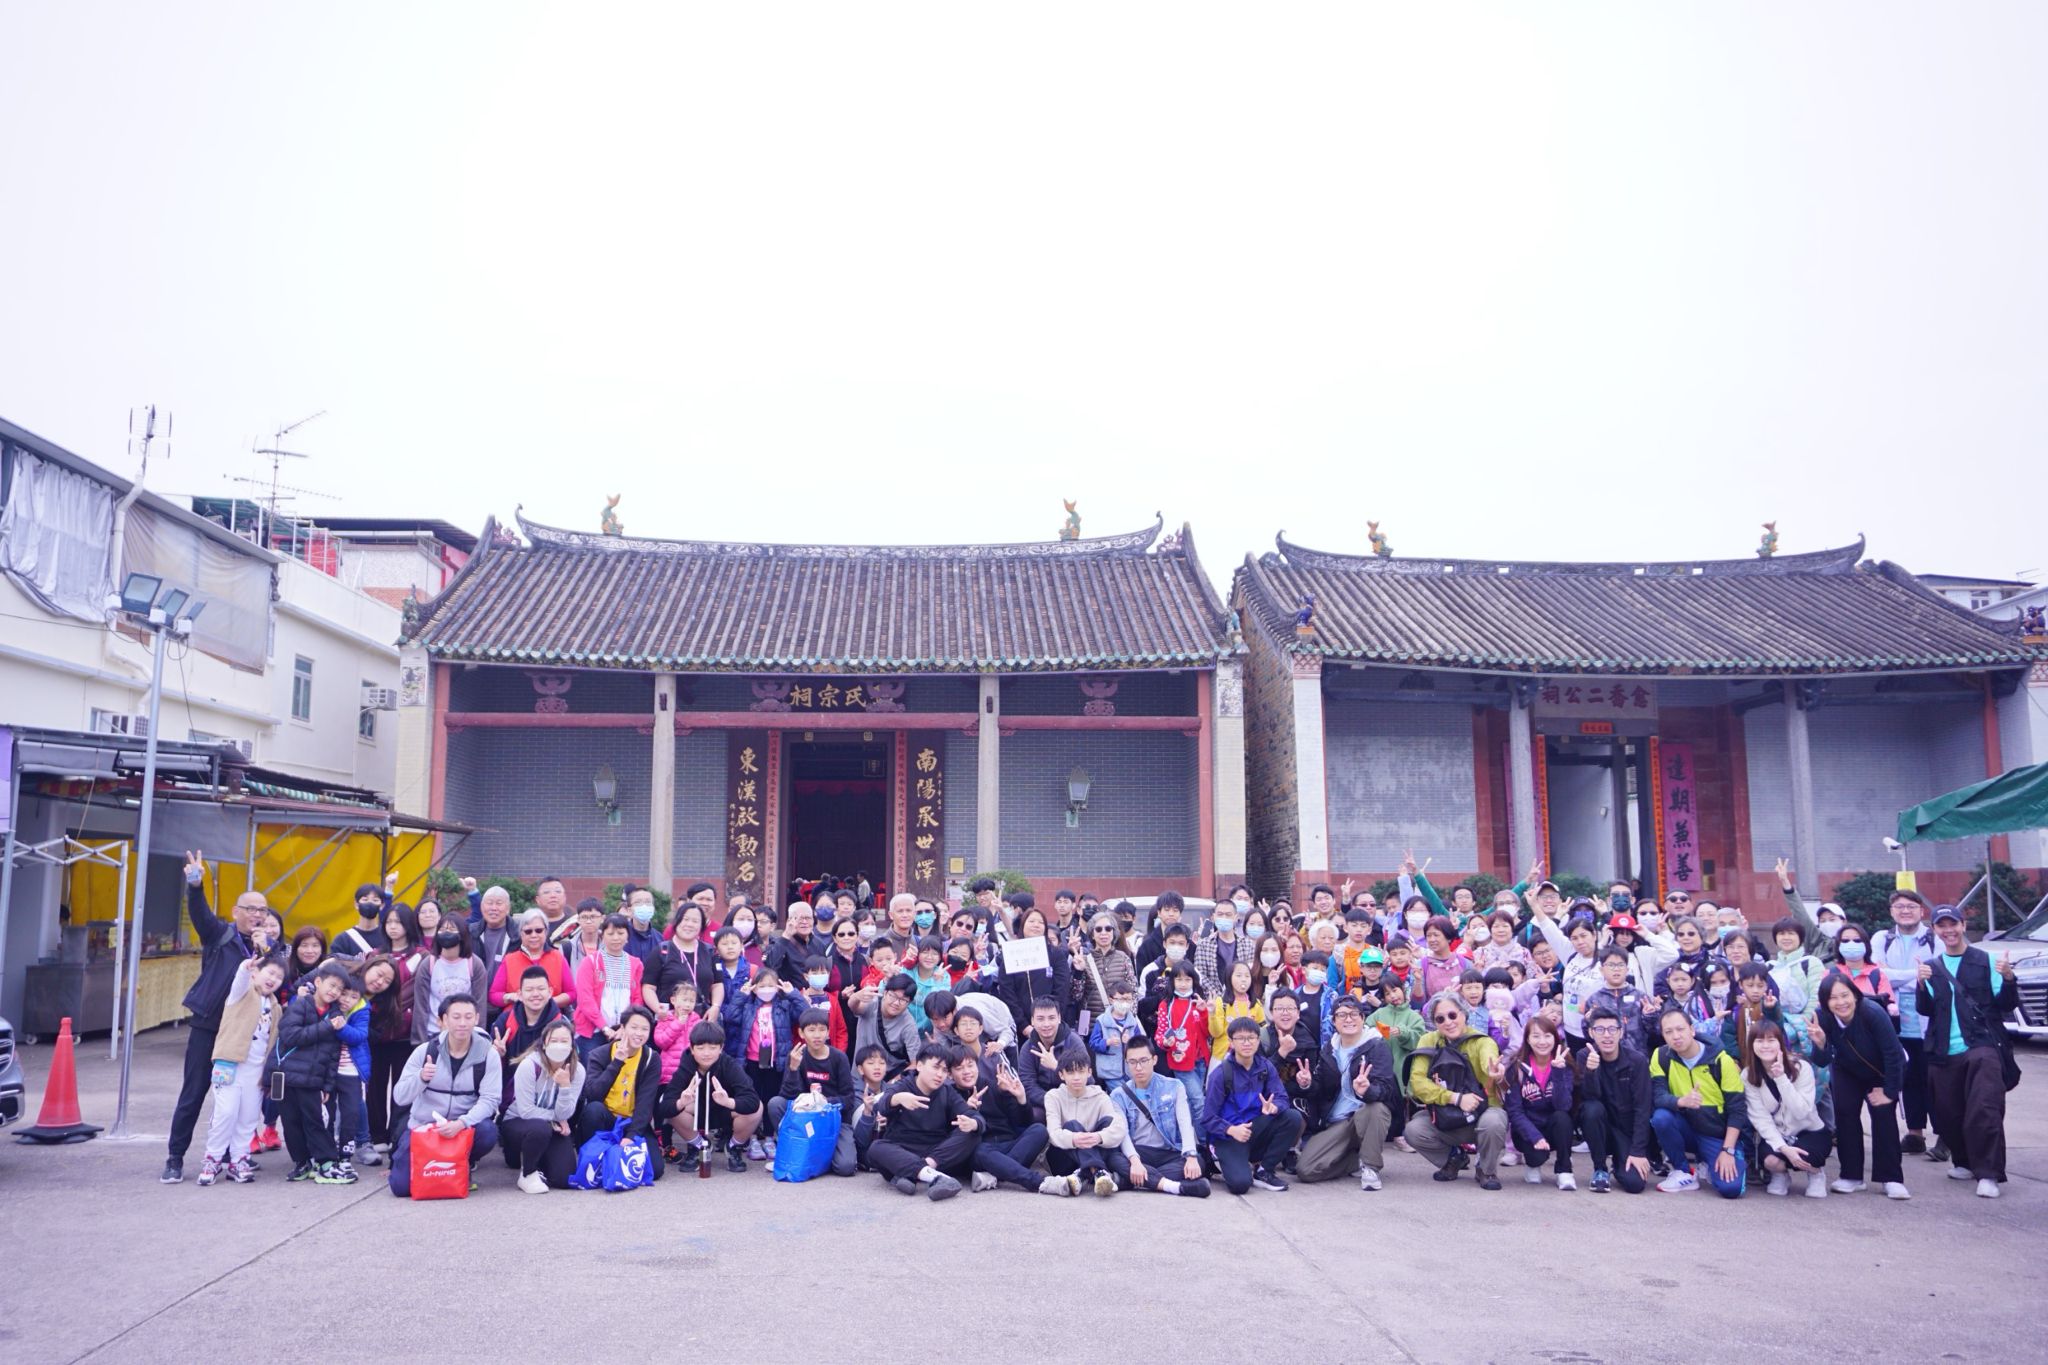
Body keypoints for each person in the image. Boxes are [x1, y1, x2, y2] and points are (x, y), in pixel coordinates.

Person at [163, 851, 272, 1184]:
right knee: (194, 1092)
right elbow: (199, 912)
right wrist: (195, 885)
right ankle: (175, 1158)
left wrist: (266, 950)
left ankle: (230, 1156)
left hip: (241, 1034)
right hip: (208, 1025)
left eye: (263, 910)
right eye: (251, 909)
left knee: (237, 1097)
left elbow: (274, 981)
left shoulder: (268, 946)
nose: (257, 915)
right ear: (236, 911)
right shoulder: (219, 934)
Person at [1916, 904, 2020, 1198]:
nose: (1948, 930)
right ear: (1934, 930)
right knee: (1947, 1112)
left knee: (1984, 1110)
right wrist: (1920, 984)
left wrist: (2009, 977)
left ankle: (1988, 1173)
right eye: (1942, 925)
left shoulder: (1987, 961)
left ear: (1963, 925)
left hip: (1982, 1046)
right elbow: (1926, 1009)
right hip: (1942, 1050)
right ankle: (1963, 1162)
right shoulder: (1932, 966)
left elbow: (2007, 1004)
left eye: (1953, 924)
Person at [388, 994, 502, 1195]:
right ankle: (444, 1163)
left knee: (487, 1131)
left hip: (463, 1126)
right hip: (425, 1126)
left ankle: (464, 1161)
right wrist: (421, 1078)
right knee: (401, 1188)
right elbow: (400, 1096)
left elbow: (490, 1100)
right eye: (456, 1017)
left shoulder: (488, 1055)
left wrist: (462, 1123)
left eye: (468, 1017)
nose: (462, 1023)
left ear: (476, 1019)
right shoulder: (425, 1051)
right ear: (443, 1020)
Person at [1809, 971, 1909, 1199]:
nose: (1841, 1002)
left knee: (1883, 1114)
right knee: (1845, 1112)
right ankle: (1851, 1176)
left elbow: (1893, 1054)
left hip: (1881, 1070)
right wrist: (1821, 1043)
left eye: (1845, 995)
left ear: (1855, 994)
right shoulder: (1822, 1017)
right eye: (1833, 998)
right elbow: (1821, 1061)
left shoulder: (1873, 1013)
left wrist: (1889, 1092)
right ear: (1825, 1002)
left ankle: (1891, 1178)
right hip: (1847, 1069)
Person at [196, 953, 288, 1186]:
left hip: (256, 1071)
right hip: (230, 1065)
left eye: (279, 977)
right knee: (225, 1113)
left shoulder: (276, 1007)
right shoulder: (241, 993)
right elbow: (239, 981)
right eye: (270, 972)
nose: (273, 979)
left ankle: (239, 1160)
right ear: (256, 972)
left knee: (248, 1117)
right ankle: (213, 1159)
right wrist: (245, 967)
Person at [1402, 995, 1509, 1189]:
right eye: (1440, 1019)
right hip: (1446, 1115)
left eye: (1452, 1015)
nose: (1448, 1022)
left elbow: (1489, 1062)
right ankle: (1453, 1158)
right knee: (1414, 1130)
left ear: (1464, 1014)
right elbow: (1417, 1082)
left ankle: (1486, 1170)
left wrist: (1495, 1072)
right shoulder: (1428, 1040)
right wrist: (1456, 1098)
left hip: (1482, 1113)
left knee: (1494, 1122)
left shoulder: (1483, 1041)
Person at [1294, 995, 1398, 1189]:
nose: (1348, 1019)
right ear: (1334, 1021)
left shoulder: (1376, 1045)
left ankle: (1370, 1166)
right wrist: (1307, 1083)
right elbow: (1320, 1088)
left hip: (1363, 1116)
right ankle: (1353, 1161)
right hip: (1337, 1122)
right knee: (1306, 1170)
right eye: (1341, 1015)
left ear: (1362, 1018)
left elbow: (1387, 1089)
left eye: (1354, 1014)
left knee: (1376, 1108)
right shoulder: (1329, 1048)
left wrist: (1367, 1090)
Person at [1647, 1006, 1747, 1198]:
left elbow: (1738, 1109)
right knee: (1661, 1118)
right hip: (1687, 1129)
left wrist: (1727, 1150)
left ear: (1692, 1030)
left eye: (1680, 1029)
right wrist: (1681, 1101)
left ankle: (1709, 1160)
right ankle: (1683, 1171)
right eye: (1668, 1032)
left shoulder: (1722, 1060)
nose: (1676, 1036)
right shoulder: (1660, 1057)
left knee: (1731, 1189)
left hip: (1717, 1134)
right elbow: (1658, 1096)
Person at [272, 962, 356, 1185]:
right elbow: (290, 1036)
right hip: (288, 1076)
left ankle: (326, 1163)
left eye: (339, 989)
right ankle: (301, 1162)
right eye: (332, 985)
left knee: (315, 1121)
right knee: (290, 1122)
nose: (334, 992)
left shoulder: (336, 1015)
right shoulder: (301, 1005)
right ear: (318, 982)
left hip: (312, 1080)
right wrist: (327, 1027)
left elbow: (333, 1055)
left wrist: (327, 1085)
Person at [1201, 1017, 1301, 1194]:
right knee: (1240, 1185)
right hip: (1229, 1136)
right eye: (1240, 1038)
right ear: (1231, 1042)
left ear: (1258, 1040)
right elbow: (1208, 1118)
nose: (1246, 1043)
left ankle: (1264, 1171)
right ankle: (1218, 1159)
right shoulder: (1221, 1074)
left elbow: (1281, 1097)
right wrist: (1231, 1130)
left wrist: (1274, 1107)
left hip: (1255, 1128)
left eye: (1251, 1038)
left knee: (1292, 1117)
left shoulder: (1265, 1067)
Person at [867, 1045, 980, 1200]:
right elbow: (881, 1106)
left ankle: (915, 1174)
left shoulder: (947, 1092)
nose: (940, 1074)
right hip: (903, 1150)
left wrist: (973, 1123)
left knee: (973, 1132)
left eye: (944, 1070)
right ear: (919, 1065)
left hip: (936, 1153)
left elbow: (972, 1115)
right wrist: (898, 1099)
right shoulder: (902, 1086)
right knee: (876, 1148)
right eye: (935, 1067)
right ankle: (936, 1177)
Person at [1106, 1034, 1209, 1196]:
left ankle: (1129, 1181)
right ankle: (1174, 1186)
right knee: (1113, 1158)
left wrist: (1191, 1156)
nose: (1138, 1067)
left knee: (1199, 1163)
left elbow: (1185, 1122)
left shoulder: (1174, 1086)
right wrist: (1135, 1161)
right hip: (1139, 1152)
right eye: (1132, 1062)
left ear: (1154, 1060)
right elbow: (1122, 1133)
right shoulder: (1118, 1095)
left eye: (1143, 1061)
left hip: (1169, 1152)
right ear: (1126, 1063)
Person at [656, 1022, 763, 1174]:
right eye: (700, 1048)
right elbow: (664, 1106)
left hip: (726, 1111)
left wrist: (728, 1102)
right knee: (672, 1107)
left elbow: (752, 1100)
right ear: (692, 1049)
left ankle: (733, 1146)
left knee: (757, 1108)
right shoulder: (685, 1067)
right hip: (697, 1112)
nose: (706, 1053)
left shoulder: (729, 1065)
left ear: (721, 1048)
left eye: (712, 1048)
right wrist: (681, 1102)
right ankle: (699, 1145)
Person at [722, 966, 804, 1159]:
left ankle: (768, 1137)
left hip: (776, 1062)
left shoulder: (784, 1006)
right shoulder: (749, 1006)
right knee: (753, 1099)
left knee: (770, 1098)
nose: (766, 989)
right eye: (762, 985)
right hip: (751, 1061)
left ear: (778, 986)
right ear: (754, 987)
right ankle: (752, 1139)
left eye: (770, 985)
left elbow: (804, 1014)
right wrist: (741, 995)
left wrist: (792, 994)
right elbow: (730, 1016)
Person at [1745, 1020, 1833, 1199]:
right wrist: (1784, 1148)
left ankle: (1816, 1173)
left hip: (1810, 1131)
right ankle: (1781, 1174)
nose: (1765, 1046)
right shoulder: (1748, 1075)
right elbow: (1760, 1119)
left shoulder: (1802, 1068)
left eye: (1771, 1040)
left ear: (1781, 1042)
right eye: (1759, 1041)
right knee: (1771, 1161)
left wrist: (1781, 1078)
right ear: (1751, 1045)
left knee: (1808, 1157)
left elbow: (1802, 1111)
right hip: (1780, 1133)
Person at [577, 1005, 664, 1180]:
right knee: (594, 1109)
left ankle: (614, 1156)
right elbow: (593, 1095)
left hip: (632, 1121)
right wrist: (616, 1063)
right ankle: (593, 1156)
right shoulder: (599, 1054)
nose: (639, 1033)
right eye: (634, 1027)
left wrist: (632, 1136)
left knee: (655, 1170)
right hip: (606, 1119)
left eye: (644, 1029)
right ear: (622, 1028)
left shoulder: (651, 1058)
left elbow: (646, 1102)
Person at [772, 1009, 860, 1177]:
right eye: (811, 1030)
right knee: (776, 1104)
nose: (817, 1035)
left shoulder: (839, 1057)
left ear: (828, 1032)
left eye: (822, 1030)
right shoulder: (797, 1056)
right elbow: (788, 1096)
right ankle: (793, 1148)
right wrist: (793, 1069)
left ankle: (818, 1156)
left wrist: (824, 1102)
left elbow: (849, 1098)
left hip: (833, 1117)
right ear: (801, 1033)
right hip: (805, 1118)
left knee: (846, 1167)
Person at [502, 1018, 585, 1193]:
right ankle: (527, 1174)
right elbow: (526, 1111)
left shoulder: (577, 1071)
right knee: (540, 1129)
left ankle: (539, 1159)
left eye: (564, 1041)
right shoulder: (529, 1065)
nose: (559, 1045)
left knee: (564, 1178)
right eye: (554, 1040)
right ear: (544, 1044)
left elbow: (565, 1113)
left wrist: (565, 1086)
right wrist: (554, 1119)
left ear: (572, 1046)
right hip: (518, 1121)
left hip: (551, 1125)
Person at [1578, 1007, 1654, 1194]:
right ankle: (1600, 1168)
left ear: (1620, 1032)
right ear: (1591, 1033)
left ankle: (1623, 1162)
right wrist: (1590, 1072)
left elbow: (1643, 1108)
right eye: (1600, 1030)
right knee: (1591, 1109)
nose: (1607, 1035)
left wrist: (1637, 1151)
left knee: (1634, 1184)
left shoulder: (1637, 1061)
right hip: (1600, 1128)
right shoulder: (1585, 1056)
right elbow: (1588, 1098)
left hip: (1626, 1131)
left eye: (1612, 1029)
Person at [1501, 1013, 1577, 1190]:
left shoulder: (1564, 1065)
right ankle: (1532, 1164)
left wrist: (1558, 1072)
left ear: (1555, 1038)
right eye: (1536, 1036)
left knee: (1562, 1118)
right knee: (1537, 1156)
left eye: (1547, 1036)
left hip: (1554, 1127)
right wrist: (1534, 1136)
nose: (1542, 1042)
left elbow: (1563, 1106)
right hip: (1528, 1131)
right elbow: (1515, 1111)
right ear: (1527, 1039)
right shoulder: (1516, 1068)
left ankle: (1564, 1170)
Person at [1043, 1048, 1132, 1196]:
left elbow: (1119, 1127)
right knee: (1072, 1126)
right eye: (1070, 1072)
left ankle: (1082, 1175)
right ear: (1061, 1075)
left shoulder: (1100, 1096)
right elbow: (1053, 1133)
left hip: (1093, 1151)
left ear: (1089, 1072)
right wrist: (1073, 1139)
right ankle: (1098, 1172)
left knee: (1108, 1121)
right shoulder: (1053, 1096)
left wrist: (1099, 1137)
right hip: (1063, 1158)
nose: (1076, 1078)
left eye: (1081, 1072)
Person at [572, 913, 645, 1057]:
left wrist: (626, 1026)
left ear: (628, 936)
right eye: (610, 934)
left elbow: (637, 999)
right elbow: (585, 999)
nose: (616, 938)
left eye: (620, 933)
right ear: (602, 935)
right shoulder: (590, 962)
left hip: (624, 1032)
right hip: (593, 1032)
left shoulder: (635, 964)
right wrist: (604, 1027)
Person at [414, 918, 489, 1045]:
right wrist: (420, 1042)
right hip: (434, 1033)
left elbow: (480, 1004)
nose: (447, 933)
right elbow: (420, 1006)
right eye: (442, 929)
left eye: (452, 929)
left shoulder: (474, 964)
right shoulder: (428, 964)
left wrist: (478, 1039)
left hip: (465, 1034)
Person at [490, 911, 573, 1014]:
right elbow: (494, 995)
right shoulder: (509, 960)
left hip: (551, 1017)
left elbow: (571, 993)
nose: (534, 935)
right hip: (516, 1017)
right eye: (528, 931)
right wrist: (510, 997)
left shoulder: (558, 957)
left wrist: (547, 1002)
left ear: (546, 932)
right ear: (521, 934)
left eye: (538, 930)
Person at [851, 972, 922, 1080]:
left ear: (909, 1002)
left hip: (889, 1075)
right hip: (859, 1075)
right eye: (893, 996)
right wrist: (856, 996)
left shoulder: (909, 1024)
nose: (896, 1003)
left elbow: (915, 1063)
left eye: (903, 1000)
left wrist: (891, 1085)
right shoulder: (871, 1003)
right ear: (884, 993)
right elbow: (854, 1008)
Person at [334, 883, 390, 957]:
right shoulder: (342, 940)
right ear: (356, 904)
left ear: (382, 905)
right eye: (365, 899)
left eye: (375, 900)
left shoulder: (388, 937)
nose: (370, 903)